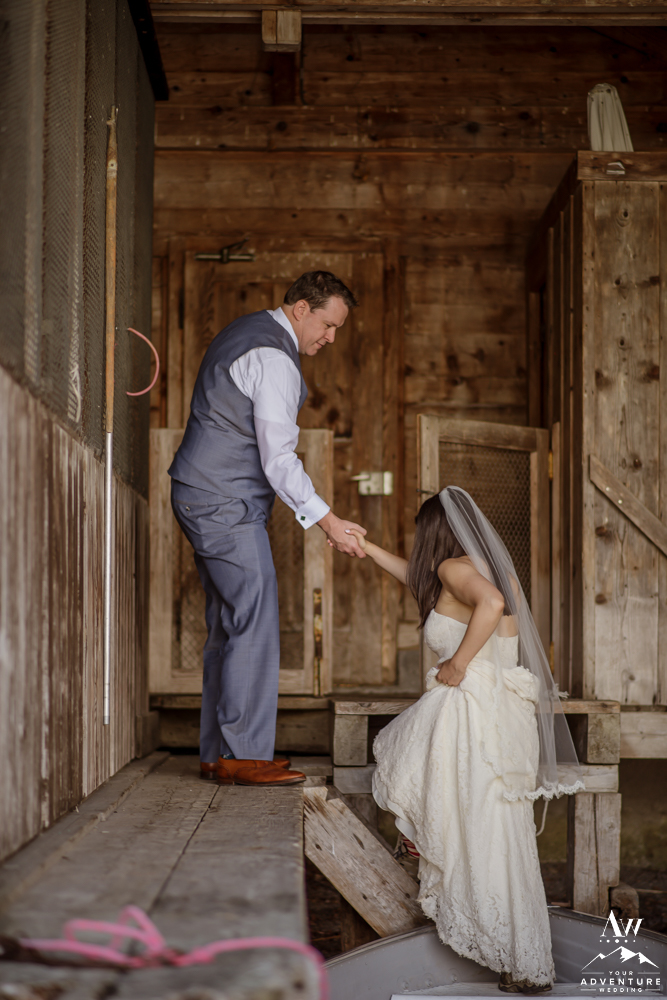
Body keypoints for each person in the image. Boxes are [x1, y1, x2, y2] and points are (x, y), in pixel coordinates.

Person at [349, 488, 583, 994]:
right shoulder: (483, 569)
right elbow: (428, 579)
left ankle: (436, 863)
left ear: (434, 531)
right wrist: (365, 547)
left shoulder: (456, 568)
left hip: (471, 712)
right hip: (500, 715)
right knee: (495, 832)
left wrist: (457, 663)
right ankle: (522, 960)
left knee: (463, 818)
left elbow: (490, 606)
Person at [169, 271, 367, 787]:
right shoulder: (275, 358)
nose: (330, 337)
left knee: (229, 624)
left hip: (201, 491)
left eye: (337, 329)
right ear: (301, 308)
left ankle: (219, 752)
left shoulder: (248, 330)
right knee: (255, 616)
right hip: (222, 501)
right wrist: (330, 522)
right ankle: (244, 755)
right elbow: (278, 460)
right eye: (328, 324)